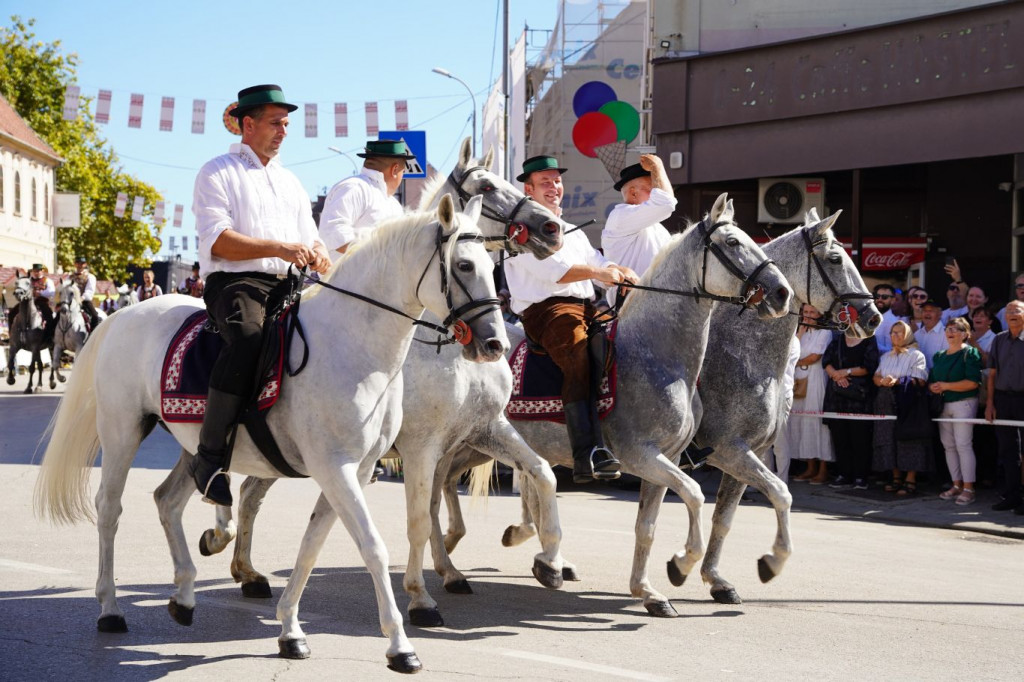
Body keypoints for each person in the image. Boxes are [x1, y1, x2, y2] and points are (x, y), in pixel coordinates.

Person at [192, 84, 331, 506]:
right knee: (249, 338)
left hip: (289, 283)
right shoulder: (216, 171)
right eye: (275, 122)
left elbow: (311, 238)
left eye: (286, 123)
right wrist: (278, 247)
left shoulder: (290, 181)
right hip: (236, 283)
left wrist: (321, 254)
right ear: (247, 124)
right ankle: (209, 457)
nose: (283, 131)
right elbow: (218, 241)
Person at [505, 154, 638, 483]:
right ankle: (586, 454)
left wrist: (621, 272)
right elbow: (557, 272)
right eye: (545, 182)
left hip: (586, 307)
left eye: (557, 180)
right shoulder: (521, 230)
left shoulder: (571, 230)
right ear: (529, 189)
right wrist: (601, 271)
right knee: (578, 354)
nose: (554, 187)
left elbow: (598, 264)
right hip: (548, 312)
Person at [319, 139, 414, 259]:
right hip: (346, 277)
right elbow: (334, 232)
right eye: (403, 171)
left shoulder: (394, 205)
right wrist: (380, 250)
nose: (402, 176)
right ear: (395, 170)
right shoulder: (354, 187)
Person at [601, 154, 676, 303]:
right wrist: (657, 166)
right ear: (633, 193)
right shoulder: (620, 215)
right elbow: (666, 203)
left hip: (659, 304)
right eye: (652, 189)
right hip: (631, 306)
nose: (657, 193)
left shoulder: (657, 228)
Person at [776, 304, 834, 485]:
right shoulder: (802, 331)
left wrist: (795, 362)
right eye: (805, 313)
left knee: (816, 423)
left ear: (820, 314)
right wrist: (800, 332)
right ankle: (809, 467)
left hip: (815, 378)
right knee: (801, 423)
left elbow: (814, 357)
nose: (808, 316)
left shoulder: (824, 332)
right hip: (798, 378)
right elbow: (790, 351)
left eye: (812, 313)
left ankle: (823, 469)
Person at [872, 321, 931, 496]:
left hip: (907, 402)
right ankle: (895, 476)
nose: (895, 336)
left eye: (899, 333)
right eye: (892, 333)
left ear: (907, 335)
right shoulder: (886, 357)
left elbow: (920, 379)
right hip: (885, 401)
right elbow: (876, 376)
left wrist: (897, 381)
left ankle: (910, 478)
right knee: (887, 438)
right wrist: (881, 381)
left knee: (909, 439)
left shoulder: (916, 355)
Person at [929, 317, 983, 505]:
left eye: (956, 329)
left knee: (963, 445)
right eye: (948, 328)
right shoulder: (939, 355)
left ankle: (969, 488)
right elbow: (932, 379)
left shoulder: (970, 353)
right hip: (944, 405)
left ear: (965, 334)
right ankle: (956, 484)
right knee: (949, 446)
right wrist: (934, 387)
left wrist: (946, 385)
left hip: (964, 403)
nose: (950, 332)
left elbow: (972, 382)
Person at [823, 330, 879, 489]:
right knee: (840, 437)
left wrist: (846, 372)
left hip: (859, 397)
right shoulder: (838, 339)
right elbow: (826, 361)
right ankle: (843, 475)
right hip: (836, 396)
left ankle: (861, 477)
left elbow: (870, 366)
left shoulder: (869, 340)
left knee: (859, 438)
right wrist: (836, 375)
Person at [986, 300, 1024, 514]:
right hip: (1003, 399)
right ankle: (1012, 496)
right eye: (1008, 311)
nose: (1012, 314)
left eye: (1017, 310)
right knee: (1008, 450)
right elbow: (992, 374)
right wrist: (990, 403)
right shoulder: (999, 340)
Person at [915, 298, 949, 371]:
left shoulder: (947, 334)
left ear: (940, 313)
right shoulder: (916, 335)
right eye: (924, 310)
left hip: (938, 379)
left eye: (931, 311)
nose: (927, 313)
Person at [872, 283, 906, 354]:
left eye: (884, 297)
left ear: (893, 300)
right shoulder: (869, 317)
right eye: (877, 296)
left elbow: (891, 350)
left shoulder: (893, 323)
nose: (880, 299)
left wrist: (869, 342)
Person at [71, 256, 101, 329]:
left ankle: (93, 336)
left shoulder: (90, 277)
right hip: (71, 301)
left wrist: (82, 298)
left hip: (84, 301)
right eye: (78, 263)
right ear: (75, 264)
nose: (80, 265)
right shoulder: (70, 277)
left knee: (95, 316)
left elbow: (89, 290)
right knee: (58, 316)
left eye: (82, 263)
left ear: (85, 264)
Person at [28, 263, 55, 339]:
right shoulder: (28, 280)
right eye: (34, 271)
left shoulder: (47, 280)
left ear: (42, 271)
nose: (36, 273)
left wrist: (40, 293)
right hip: (29, 302)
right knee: (14, 312)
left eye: (38, 271)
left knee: (48, 315)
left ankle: (50, 336)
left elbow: (51, 292)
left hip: (41, 302)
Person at [940, 259, 969, 324]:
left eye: (958, 289)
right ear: (947, 294)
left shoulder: (969, 310)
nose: (955, 291)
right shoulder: (940, 314)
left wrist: (958, 279)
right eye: (952, 288)